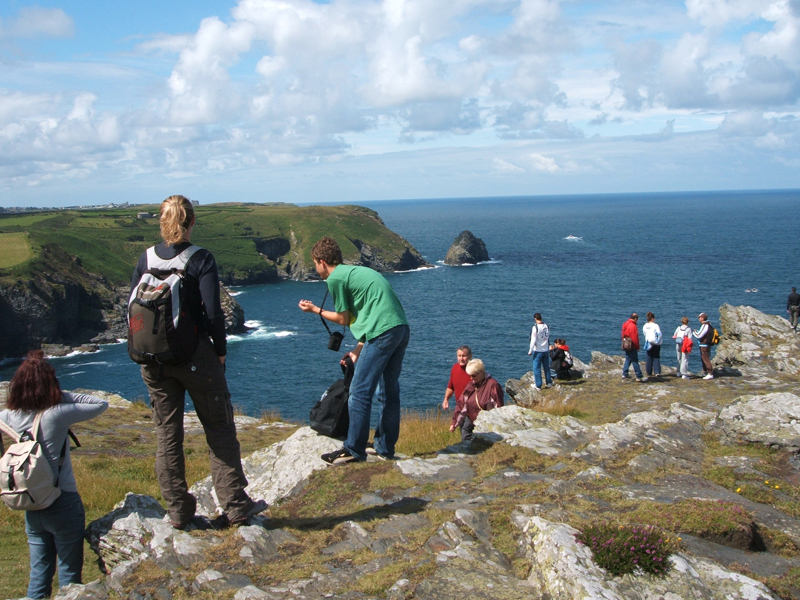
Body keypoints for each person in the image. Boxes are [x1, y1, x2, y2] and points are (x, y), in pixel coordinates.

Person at [131, 195, 266, 529]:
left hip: (153, 360)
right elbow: (212, 312)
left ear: (163, 223)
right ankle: (234, 504)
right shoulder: (200, 258)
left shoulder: (145, 258)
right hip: (194, 357)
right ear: (191, 222)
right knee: (219, 427)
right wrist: (219, 349)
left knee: (167, 433)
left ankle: (178, 510)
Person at [0, 351, 108, 599]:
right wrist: (57, 396)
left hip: (32, 503)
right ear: (50, 384)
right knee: (69, 575)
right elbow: (100, 403)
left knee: (39, 574)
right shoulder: (56, 414)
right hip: (63, 501)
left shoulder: (8, 417)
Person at [299, 237, 410, 465]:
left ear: (322, 261)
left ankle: (353, 449)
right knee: (389, 393)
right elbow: (370, 311)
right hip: (399, 328)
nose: (315, 269)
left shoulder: (336, 278)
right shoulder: (355, 272)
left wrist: (314, 310)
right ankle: (384, 448)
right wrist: (359, 349)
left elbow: (343, 318)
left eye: (315, 264)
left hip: (382, 332)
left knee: (359, 392)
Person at [449, 359, 503, 441]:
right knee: (466, 439)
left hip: (489, 426)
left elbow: (499, 408)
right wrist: (454, 423)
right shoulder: (471, 385)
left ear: (481, 372)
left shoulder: (493, 386)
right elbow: (462, 405)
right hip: (473, 422)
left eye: (473, 375)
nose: (471, 378)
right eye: (469, 376)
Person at [527, 313, 553, 390]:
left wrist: (530, 350)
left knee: (536, 368)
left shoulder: (535, 327)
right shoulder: (546, 326)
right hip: (545, 349)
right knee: (546, 366)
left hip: (538, 350)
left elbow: (533, 340)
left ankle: (538, 385)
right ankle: (549, 382)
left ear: (535, 318)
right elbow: (548, 337)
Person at [442, 346, 472, 410]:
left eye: (464, 356)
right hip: (460, 408)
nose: (461, 358)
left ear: (470, 356)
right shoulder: (455, 368)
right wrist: (446, 399)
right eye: (459, 356)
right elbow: (451, 387)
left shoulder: (474, 371)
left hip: (473, 409)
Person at [621, 313, 646, 382]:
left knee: (628, 358)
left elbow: (623, 334)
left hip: (626, 344)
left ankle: (625, 373)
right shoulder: (633, 326)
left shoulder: (625, 324)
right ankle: (639, 376)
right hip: (632, 345)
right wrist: (637, 346)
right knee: (635, 360)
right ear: (635, 319)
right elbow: (635, 338)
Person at [693, 312, 715, 380]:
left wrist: (693, 332)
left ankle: (710, 373)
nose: (699, 319)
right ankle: (705, 372)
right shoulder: (707, 325)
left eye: (699, 317)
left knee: (705, 359)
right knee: (704, 358)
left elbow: (699, 335)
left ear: (702, 318)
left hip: (704, 345)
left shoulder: (705, 326)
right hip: (704, 345)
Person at [642, 312, 662, 377]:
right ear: (653, 318)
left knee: (649, 357)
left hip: (648, 342)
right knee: (656, 356)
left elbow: (644, 333)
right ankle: (657, 372)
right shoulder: (655, 325)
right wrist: (658, 341)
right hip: (656, 343)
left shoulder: (645, 326)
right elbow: (659, 334)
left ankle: (649, 372)